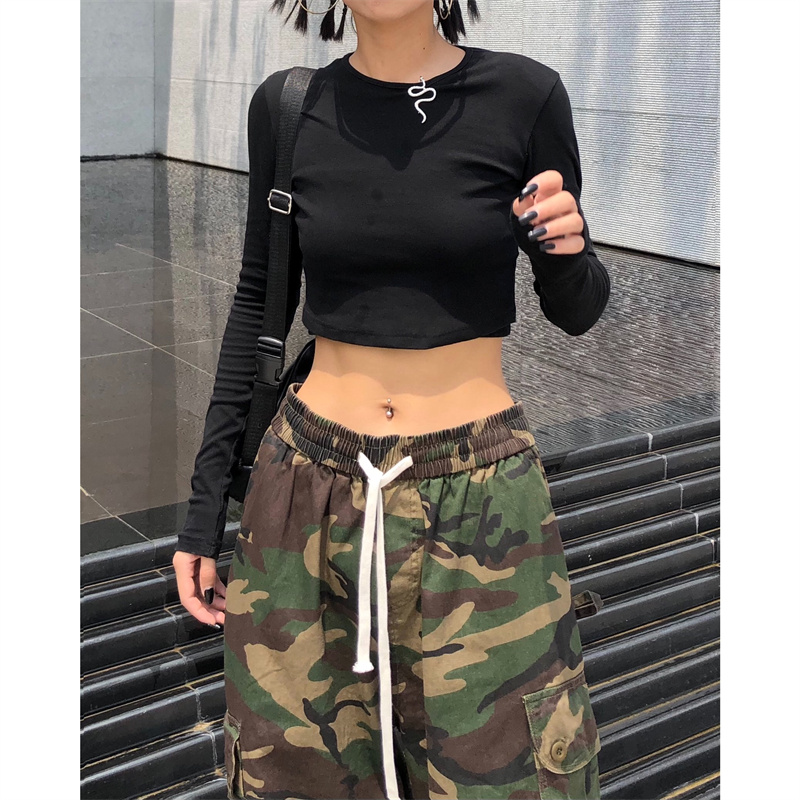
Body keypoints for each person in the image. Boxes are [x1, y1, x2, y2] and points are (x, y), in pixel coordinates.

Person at [173, 0, 609, 798]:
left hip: (482, 505)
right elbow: (256, 300)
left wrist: (565, 249)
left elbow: (577, 308)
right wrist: (204, 511)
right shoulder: (288, 107)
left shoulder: (525, 96)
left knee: (512, 780)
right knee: (291, 779)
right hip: (305, 494)